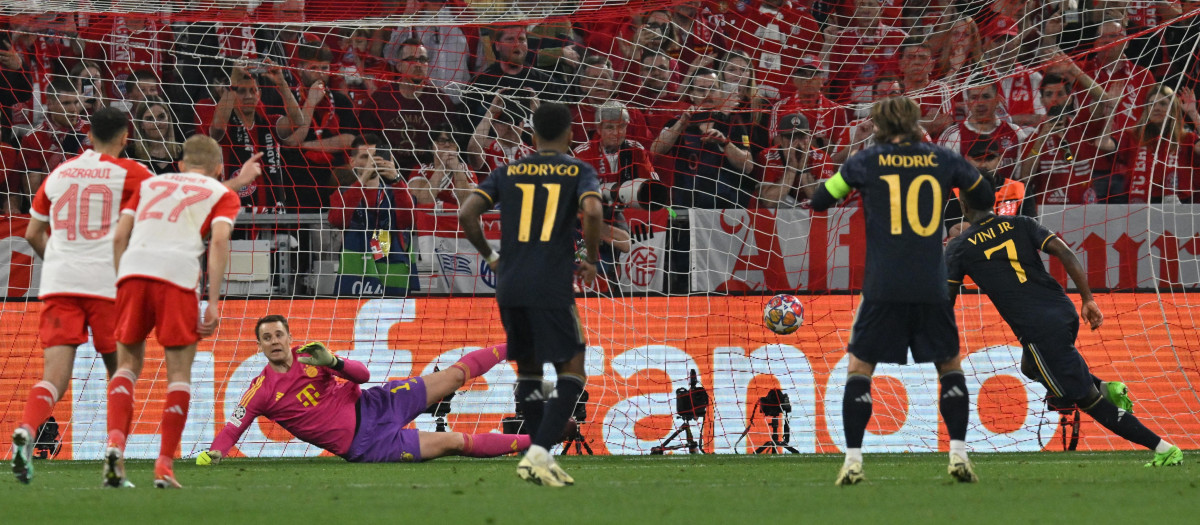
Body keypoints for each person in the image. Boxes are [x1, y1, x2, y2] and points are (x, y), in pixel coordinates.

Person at [808, 96, 994, 485]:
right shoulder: (943, 158)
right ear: (914, 122)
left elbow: (821, 200)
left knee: (860, 368)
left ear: (878, 125)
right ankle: (958, 454)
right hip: (931, 282)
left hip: (883, 285)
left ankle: (854, 461)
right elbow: (984, 194)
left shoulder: (864, 160)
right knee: (949, 364)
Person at [945, 193, 1183, 468]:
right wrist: (1088, 299)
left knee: (1087, 401)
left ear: (963, 206)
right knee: (1030, 366)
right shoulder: (1021, 223)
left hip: (1038, 328)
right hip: (1063, 310)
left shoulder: (959, 246)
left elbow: (947, 297)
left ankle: (1163, 447)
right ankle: (1106, 386)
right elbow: (1065, 252)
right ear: (992, 201)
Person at [458, 102, 604, 487]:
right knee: (572, 369)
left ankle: (539, 460)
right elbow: (592, 210)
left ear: (533, 135)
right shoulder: (577, 170)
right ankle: (538, 454)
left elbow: (467, 212)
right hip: (551, 285)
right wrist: (590, 257)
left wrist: (492, 257)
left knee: (530, 372)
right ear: (570, 134)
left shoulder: (508, 171)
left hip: (510, 284)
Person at [103, 135, 257, 489]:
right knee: (178, 375)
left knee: (126, 367)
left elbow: (118, 237)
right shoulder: (223, 194)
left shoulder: (148, 184)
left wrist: (118, 281)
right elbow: (218, 240)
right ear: (219, 169)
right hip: (176, 278)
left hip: (132, 274)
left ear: (181, 164)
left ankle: (114, 446)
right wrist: (214, 301)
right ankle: (164, 465)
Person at [9, 107, 153, 485]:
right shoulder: (134, 173)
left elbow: (32, 233)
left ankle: (26, 429)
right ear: (125, 136)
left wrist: (57, 259)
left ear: (88, 136)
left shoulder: (60, 174)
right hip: (108, 285)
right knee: (122, 371)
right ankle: (114, 455)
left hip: (59, 283)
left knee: (54, 377)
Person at [195, 315, 530, 466]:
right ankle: (539, 440)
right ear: (260, 346)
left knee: (454, 376)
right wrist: (215, 452)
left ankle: (518, 344)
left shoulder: (311, 354)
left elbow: (363, 374)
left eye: (279, 335)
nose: (274, 342)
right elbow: (232, 426)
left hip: (377, 403)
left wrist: (335, 362)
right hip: (369, 445)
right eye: (267, 338)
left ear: (288, 336)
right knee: (455, 442)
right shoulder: (261, 391)